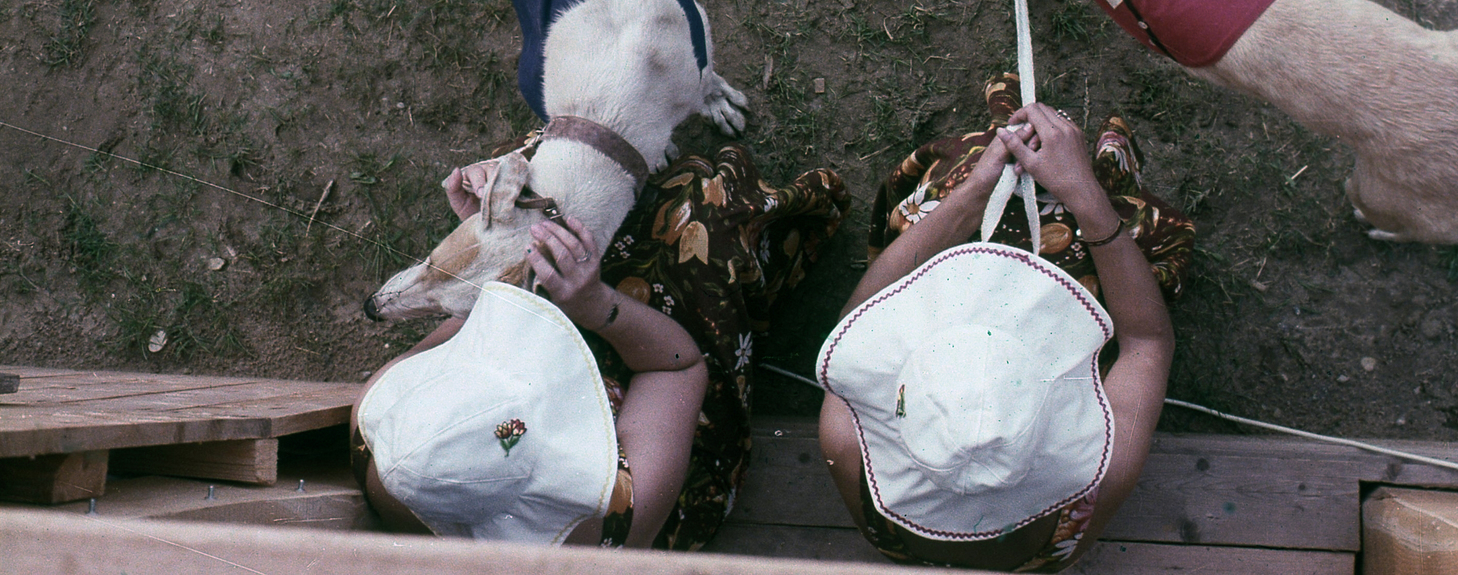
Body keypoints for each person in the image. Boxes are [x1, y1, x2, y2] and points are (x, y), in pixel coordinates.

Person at [351, 142, 848, 549]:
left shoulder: (382, 437)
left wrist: (489, 261)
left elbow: (467, 324)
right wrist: (596, 306)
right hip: (650, 449)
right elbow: (677, 368)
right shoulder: (606, 518)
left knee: (543, 197)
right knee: (696, 222)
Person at [818, 76, 1188, 571]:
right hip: (1082, 244)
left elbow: (855, 325)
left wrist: (972, 194)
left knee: (947, 189)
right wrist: (1084, 196)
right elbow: (1146, 338)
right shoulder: (1100, 476)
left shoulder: (848, 449)